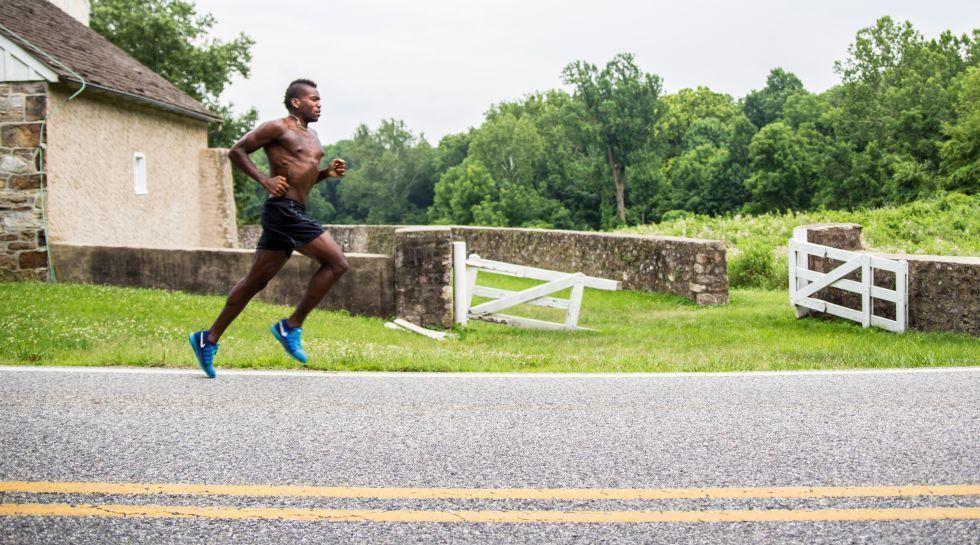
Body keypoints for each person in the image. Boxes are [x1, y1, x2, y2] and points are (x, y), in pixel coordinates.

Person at [189, 78, 348, 378]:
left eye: (320, 99)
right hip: (283, 211)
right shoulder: (278, 128)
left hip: (292, 210)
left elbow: (303, 181)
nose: (319, 104)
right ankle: (290, 326)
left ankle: (207, 339)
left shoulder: (312, 137)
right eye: (313, 99)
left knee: (254, 282)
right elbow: (237, 151)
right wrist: (265, 180)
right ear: (296, 102)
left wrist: (326, 173)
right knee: (337, 263)